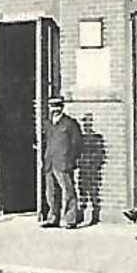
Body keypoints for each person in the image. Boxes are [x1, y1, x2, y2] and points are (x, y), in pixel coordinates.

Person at [40, 94, 83, 228]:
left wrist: (71, 159)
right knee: (51, 193)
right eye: (52, 106)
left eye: (58, 106)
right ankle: (53, 218)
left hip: (63, 163)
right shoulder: (47, 124)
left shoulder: (70, 124)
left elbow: (77, 144)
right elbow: (45, 142)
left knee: (68, 191)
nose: (55, 109)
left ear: (62, 107)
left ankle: (71, 219)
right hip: (50, 162)